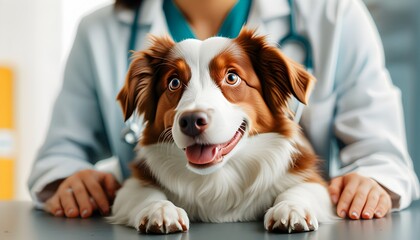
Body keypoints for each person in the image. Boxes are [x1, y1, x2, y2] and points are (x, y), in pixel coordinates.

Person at [28, 0, 419, 220]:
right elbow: (59, 156)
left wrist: (371, 182)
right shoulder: (97, 30)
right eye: (174, 86)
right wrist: (73, 181)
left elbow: (383, 156)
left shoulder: (335, 13)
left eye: (231, 78)